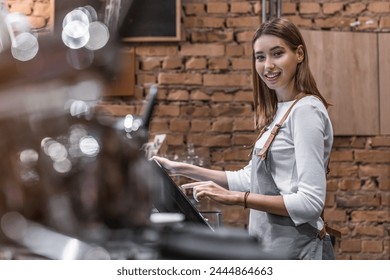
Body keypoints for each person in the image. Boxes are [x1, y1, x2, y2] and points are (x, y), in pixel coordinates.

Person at [153, 17, 335, 260]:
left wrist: (237, 199)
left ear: (299, 54)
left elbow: (310, 203)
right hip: (276, 248)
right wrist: (179, 168)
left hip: (299, 251)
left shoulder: (306, 110)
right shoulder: (282, 110)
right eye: (260, 57)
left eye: (277, 54)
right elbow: (249, 179)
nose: (268, 65)